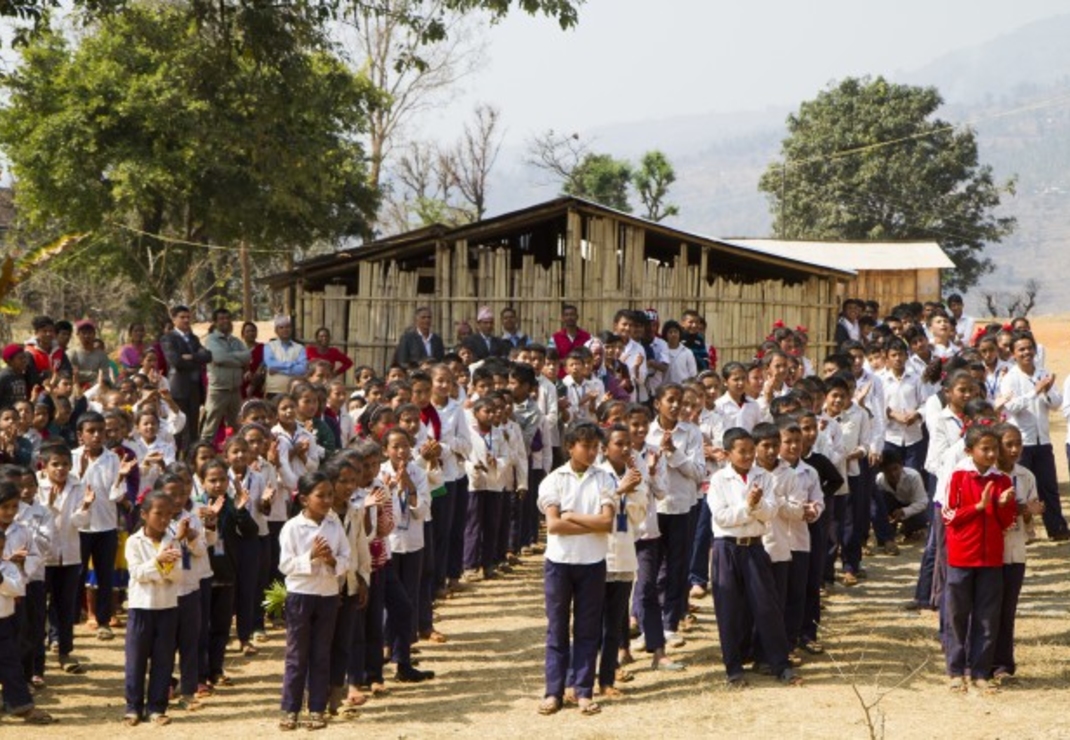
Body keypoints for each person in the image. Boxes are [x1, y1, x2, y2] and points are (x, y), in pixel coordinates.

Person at [708, 427, 800, 687]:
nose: (748, 456)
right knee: (729, 608)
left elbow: (770, 512)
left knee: (767, 605)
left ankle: (779, 663)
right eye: (742, 451)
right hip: (726, 548)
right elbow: (722, 517)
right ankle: (734, 668)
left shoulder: (764, 477)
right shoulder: (718, 480)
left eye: (751, 450)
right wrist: (750, 507)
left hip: (755, 546)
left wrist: (757, 505)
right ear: (728, 454)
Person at [536, 422, 615, 716]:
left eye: (596, 447)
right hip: (560, 562)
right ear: (571, 446)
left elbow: (607, 523)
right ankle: (553, 691)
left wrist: (573, 516)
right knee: (557, 629)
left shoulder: (604, 479)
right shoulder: (554, 480)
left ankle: (583, 690)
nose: (592, 452)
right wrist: (588, 521)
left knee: (587, 629)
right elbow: (554, 525)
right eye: (586, 446)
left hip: (592, 562)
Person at [942, 425, 1016, 693]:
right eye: (985, 448)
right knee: (958, 615)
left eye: (994, 448)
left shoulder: (1003, 481)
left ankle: (981, 671)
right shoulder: (959, 476)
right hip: (962, 557)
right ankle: (955, 670)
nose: (991, 453)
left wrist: (1003, 506)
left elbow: (1006, 523)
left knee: (987, 617)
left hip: (991, 560)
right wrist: (978, 507)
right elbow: (948, 515)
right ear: (969, 450)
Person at [277, 470, 349, 731]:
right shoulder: (293, 528)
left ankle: (317, 708)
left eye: (330, 494)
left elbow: (346, 557)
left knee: (321, 653)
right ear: (304, 499)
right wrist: (311, 556)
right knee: (297, 654)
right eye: (321, 495)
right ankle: (290, 709)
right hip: (301, 596)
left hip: (328, 595)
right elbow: (285, 565)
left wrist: (332, 561)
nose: (328, 500)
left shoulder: (334, 524)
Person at [1000, 331, 1068, 540]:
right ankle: (1022, 530)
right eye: (1021, 349)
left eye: (1030, 348)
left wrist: (1046, 391)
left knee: (1048, 486)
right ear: (1013, 353)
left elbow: (1057, 403)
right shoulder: (1009, 377)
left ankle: (1056, 528)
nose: (1026, 352)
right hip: (1020, 443)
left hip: (1043, 440)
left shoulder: (1043, 372)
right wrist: (1034, 392)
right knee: (1020, 487)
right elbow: (1011, 406)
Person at [123, 489, 181, 727]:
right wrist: (159, 563)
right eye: (159, 513)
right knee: (136, 659)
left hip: (167, 606)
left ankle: (157, 707)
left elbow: (176, 575)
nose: (165, 519)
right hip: (141, 607)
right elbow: (137, 573)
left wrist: (158, 570)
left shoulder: (173, 540)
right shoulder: (133, 541)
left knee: (163, 659)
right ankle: (133, 707)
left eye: (169, 514)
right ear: (145, 514)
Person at [0, 481, 53, 725]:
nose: (9, 512)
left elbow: (30, 563)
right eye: (4, 507)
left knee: (11, 657)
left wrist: (17, 567)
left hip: (8, 606)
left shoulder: (21, 531)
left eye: (13, 506)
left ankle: (20, 705)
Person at [160, 306, 212, 451]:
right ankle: (177, 459)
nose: (186, 320)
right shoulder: (168, 338)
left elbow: (208, 356)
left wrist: (191, 357)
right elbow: (176, 361)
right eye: (182, 317)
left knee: (193, 428)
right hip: (178, 388)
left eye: (188, 317)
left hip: (194, 388)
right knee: (179, 427)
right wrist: (196, 359)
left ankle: (192, 459)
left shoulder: (193, 338)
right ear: (174, 319)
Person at [201, 308, 251, 441]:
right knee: (210, 429)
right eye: (221, 319)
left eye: (227, 318)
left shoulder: (236, 340)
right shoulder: (211, 340)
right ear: (215, 322)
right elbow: (219, 358)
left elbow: (247, 356)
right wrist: (238, 361)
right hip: (218, 391)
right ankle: (204, 456)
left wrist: (230, 358)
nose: (225, 321)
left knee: (237, 427)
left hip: (235, 390)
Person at [263, 315, 307, 398]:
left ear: (291, 329)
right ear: (276, 330)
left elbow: (302, 369)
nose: (285, 330)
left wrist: (279, 371)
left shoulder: (300, 348)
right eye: (281, 327)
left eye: (287, 327)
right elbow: (271, 364)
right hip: (273, 391)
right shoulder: (269, 346)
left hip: (294, 391)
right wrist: (293, 363)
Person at [68, 320, 113, 388]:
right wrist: (93, 375)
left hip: (97, 387)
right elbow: (72, 374)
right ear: (78, 334)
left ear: (94, 334)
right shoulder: (72, 353)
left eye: (89, 333)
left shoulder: (101, 355)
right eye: (84, 333)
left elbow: (105, 376)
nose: (87, 336)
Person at [551, 304, 590, 378]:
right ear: (562, 318)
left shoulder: (587, 337)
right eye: (566, 315)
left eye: (572, 314)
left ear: (577, 317)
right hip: (561, 378)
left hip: (582, 379)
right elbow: (552, 359)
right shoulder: (555, 338)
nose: (569, 317)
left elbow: (589, 358)